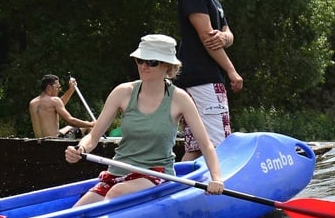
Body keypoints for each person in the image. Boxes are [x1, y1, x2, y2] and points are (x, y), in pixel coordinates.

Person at [65, 34, 224, 207]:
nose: (144, 66)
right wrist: (80, 148)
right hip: (117, 174)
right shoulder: (122, 92)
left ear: (168, 67)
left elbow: (206, 144)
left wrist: (216, 179)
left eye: (152, 62)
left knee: (116, 193)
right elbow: (93, 137)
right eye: (140, 60)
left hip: (156, 175)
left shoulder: (180, 99)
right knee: (78, 211)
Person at [175, 0, 243, 160]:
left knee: (195, 147)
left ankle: (181, 189)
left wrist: (225, 37)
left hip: (198, 80)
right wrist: (232, 72)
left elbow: (226, 33)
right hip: (202, 80)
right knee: (218, 145)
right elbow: (208, 39)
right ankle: (217, 187)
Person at [29, 74, 94, 139]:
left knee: (69, 127)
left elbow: (58, 105)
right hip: (54, 142)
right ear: (49, 87)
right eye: (57, 87)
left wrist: (71, 90)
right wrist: (92, 124)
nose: (59, 90)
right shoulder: (54, 101)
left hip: (39, 142)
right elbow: (71, 121)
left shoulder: (32, 103)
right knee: (87, 127)